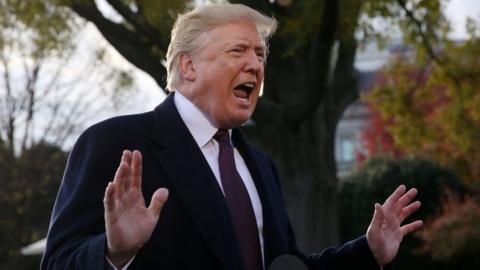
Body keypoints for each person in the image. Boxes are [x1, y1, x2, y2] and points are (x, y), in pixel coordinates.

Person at [41, 3, 423, 270]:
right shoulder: (114, 144)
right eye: (238, 50)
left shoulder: (261, 165)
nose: (255, 65)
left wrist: (367, 252)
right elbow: (58, 263)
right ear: (188, 66)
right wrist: (113, 251)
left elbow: (285, 265)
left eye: (260, 54)